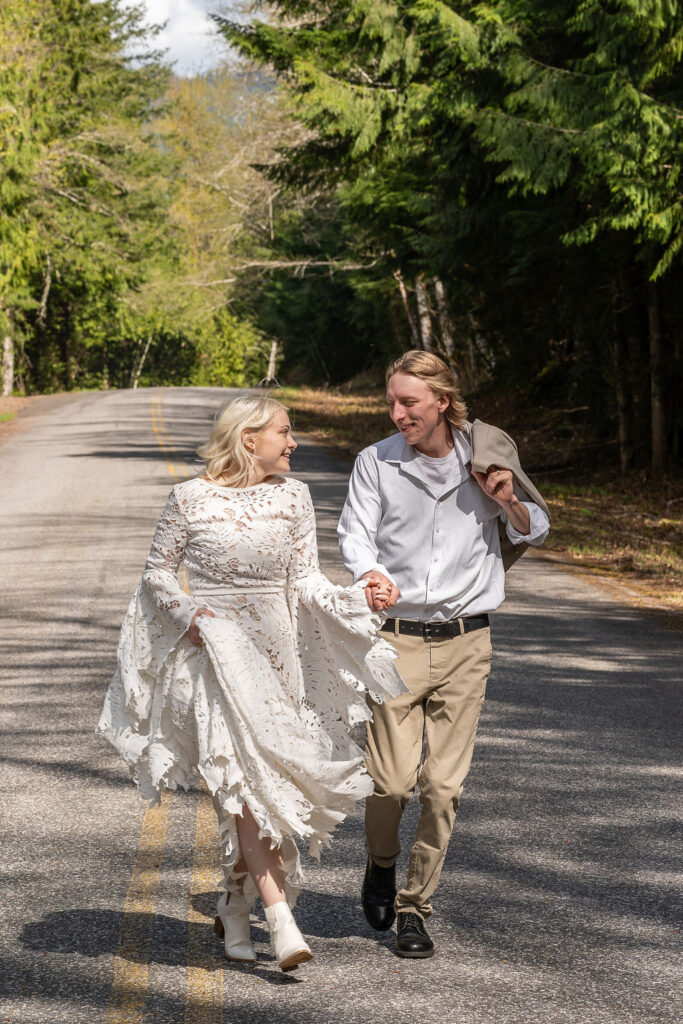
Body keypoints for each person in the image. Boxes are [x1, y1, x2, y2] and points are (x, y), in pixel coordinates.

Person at [98, 395, 405, 972]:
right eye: (285, 432)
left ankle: (234, 905)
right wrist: (189, 616)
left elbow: (305, 579)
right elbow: (158, 572)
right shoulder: (190, 497)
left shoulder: (293, 495)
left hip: (278, 657)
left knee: (272, 789)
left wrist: (352, 598)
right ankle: (279, 914)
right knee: (242, 784)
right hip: (213, 655)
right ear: (248, 439)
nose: (293, 442)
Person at [338, 350, 550, 959]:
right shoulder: (376, 462)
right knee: (391, 783)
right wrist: (371, 572)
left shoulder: (484, 463)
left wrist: (507, 499)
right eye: (392, 402)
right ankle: (381, 862)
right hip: (395, 640)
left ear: (442, 403)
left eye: (409, 402)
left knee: (442, 787)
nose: (397, 412)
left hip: (466, 643)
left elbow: (533, 529)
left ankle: (414, 906)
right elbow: (356, 529)